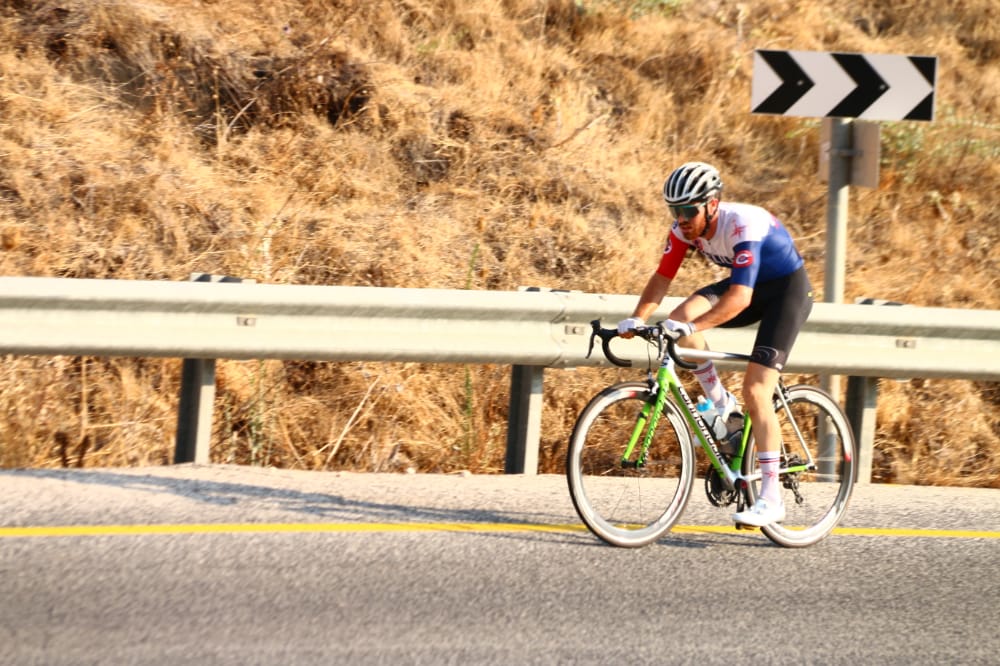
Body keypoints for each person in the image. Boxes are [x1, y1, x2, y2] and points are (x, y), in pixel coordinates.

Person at [617, 161, 813, 527]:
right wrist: (638, 318)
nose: (682, 218)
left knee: (756, 390)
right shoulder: (682, 230)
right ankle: (722, 405)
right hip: (748, 289)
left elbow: (738, 299)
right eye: (674, 211)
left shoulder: (743, 224)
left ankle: (772, 499)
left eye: (688, 210)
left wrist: (690, 326)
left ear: (712, 204)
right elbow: (662, 277)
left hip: (786, 292)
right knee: (679, 320)